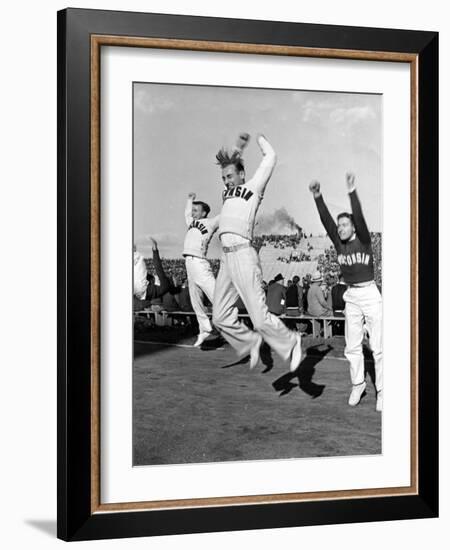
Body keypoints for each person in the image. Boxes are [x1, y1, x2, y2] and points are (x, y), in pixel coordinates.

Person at [212, 132, 301, 372]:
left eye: (230, 176)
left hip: (243, 254)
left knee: (260, 319)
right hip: (226, 260)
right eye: (223, 178)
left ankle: (291, 340)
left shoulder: (253, 188)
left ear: (242, 174)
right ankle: (249, 342)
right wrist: (237, 148)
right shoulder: (226, 193)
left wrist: (260, 139)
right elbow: (232, 163)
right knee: (219, 316)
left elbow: (270, 158)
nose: (226, 181)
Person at [309, 173, 382, 411]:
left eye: (344, 224)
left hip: (370, 294)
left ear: (352, 227)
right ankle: (358, 384)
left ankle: (382, 391)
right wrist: (317, 196)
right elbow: (325, 220)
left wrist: (352, 192)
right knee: (352, 346)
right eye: (338, 225)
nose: (339, 228)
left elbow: (359, 216)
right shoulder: (338, 243)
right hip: (352, 296)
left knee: (379, 347)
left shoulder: (363, 239)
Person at [183, 192, 220, 347]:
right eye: (193, 210)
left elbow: (223, 215)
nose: (193, 213)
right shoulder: (191, 222)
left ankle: (235, 324)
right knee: (195, 300)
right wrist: (189, 200)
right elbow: (186, 212)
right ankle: (204, 329)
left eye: (196, 210)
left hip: (199, 263)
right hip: (189, 263)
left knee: (217, 298)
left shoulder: (210, 223)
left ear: (204, 212)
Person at [133, 238, 171, 305]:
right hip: (141, 293)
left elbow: (158, 267)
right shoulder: (158, 287)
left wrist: (155, 250)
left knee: (138, 258)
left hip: (142, 289)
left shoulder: (165, 283)